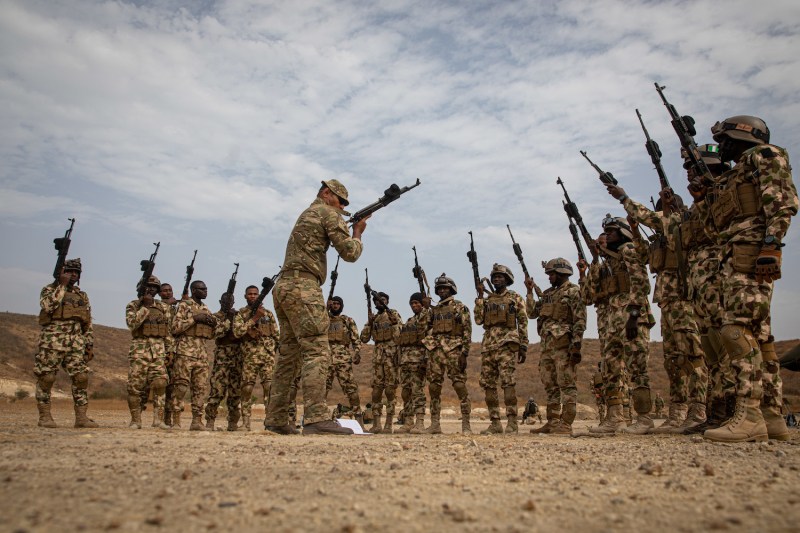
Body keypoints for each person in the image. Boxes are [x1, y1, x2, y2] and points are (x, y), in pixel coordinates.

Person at [703, 115, 797, 442]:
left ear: (742, 135)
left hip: (751, 251)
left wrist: (772, 245)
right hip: (740, 252)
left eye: (725, 138)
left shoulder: (765, 156)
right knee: (762, 337)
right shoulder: (738, 172)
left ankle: (749, 415)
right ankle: (772, 417)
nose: (722, 145)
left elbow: (782, 202)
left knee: (736, 328)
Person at [263, 179, 367, 435]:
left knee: (289, 355)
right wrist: (357, 233)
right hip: (304, 286)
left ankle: (276, 418)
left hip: (285, 286)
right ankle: (316, 417)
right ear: (326, 193)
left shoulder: (308, 213)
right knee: (318, 350)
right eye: (340, 201)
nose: (342, 206)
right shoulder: (326, 213)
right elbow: (350, 254)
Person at [606, 182, 709, 434]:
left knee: (693, 355)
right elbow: (644, 256)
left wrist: (624, 197)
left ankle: (699, 410)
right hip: (667, 303)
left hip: (685, 299)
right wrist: (635, 231)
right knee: (673, 360)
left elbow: (639, 277)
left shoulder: (684, 227)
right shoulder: (660, 240)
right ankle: (677, 413)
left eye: (669, 206)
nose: (664, 212)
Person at [678, 145, 734, 435]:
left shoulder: (729, 190)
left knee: (729, 346)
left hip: (724, 278)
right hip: (701, 288)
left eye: (695, 168)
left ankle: (738, 413)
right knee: (712, 351)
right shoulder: (700, 203)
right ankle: (717, 413)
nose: (689, 173)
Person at [589, 216, 654, 435]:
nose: (607, 236)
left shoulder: (628, 250)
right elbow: (592, 292)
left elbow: (641, 282)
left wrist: (634, 315)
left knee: (637, 368)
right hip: (614, 319)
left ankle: (644, 418)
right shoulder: (610, 261)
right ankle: (614, 418)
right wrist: (595, 258)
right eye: (605, 232)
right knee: (610, 369)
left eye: (611, 231)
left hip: (630, 316)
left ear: (624, 233)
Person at [34, 258, 98, 428]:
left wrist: (88, 344)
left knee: (81, 377)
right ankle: (45, 416)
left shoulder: (81, 295)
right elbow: (48, 306)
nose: (73, 275)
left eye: (76, 272)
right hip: (52, 340)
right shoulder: (50, 289)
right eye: (70, 271)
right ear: (62, 272)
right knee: (46, 377)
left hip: (76, 342)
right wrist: (61, 286)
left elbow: (87, 321)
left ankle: (81, 418)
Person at [526, 258, 586, 435]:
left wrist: (576, 346)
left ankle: (566, 423)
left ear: (561, 273)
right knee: (550, 385)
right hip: (547, 347)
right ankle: (552, 422)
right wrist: (530, 292)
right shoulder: (547, 294)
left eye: (552, 274)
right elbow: (531, 313)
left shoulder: (574, 292)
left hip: (564, 346)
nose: (549, 277)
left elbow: (580, 320)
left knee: (567, 384)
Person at [474, 263, 528, 434]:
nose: (497, 279)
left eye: (500, 277)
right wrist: (480, 296)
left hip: (506, 344)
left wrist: (523, 345)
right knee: (488, 385)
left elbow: (523, 322)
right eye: (494, 277)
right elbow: (478, 320)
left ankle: (512, 422)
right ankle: (495, 422)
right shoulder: (487, 300)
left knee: (508, 383)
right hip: (488, 345)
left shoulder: (515, 297)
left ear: (507, 280)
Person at [422, 274, 473, 434]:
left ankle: (466, 424)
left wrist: (464, 353)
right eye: (440, 288)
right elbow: (424, 328)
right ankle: (435, 424)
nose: (442, 290)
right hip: (436, 351)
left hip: (454, 350)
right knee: (434, 387)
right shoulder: (434, 310)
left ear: (451, 289)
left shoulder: (460, 307)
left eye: (445, 288)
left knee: (459, 385)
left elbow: (467, 330)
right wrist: (426, 308)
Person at [171, 280, 223, 430]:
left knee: (200, 388)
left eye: (206, 288)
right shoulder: (184, 306)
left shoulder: (205, 308)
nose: (206, 291)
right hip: (185, 353)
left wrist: (214, 325)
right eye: (202, 289)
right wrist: (194, 319)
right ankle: (176, 421)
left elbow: (211, 335)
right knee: (180, 387)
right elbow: (175, 328)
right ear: (194, 290)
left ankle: (196, 421)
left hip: (202, 354)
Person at [125, 275, 171, 429]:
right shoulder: (133, 305)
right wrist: (145, 306)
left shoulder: (163, 308)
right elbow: (132, 324)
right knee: (135, 386)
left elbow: (168, 331)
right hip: (140, 351)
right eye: (148, 286)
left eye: (154, 287)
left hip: (158, 352)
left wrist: (170, 351)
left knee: (160, 383)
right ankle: (136, 420)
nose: (151, 289)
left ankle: (158, 420)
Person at [233, 285, 280, 431]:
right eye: (250, 294)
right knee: (246, 389)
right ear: (245, 296)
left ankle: (270, 422)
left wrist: (276, 350)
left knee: (269, 388)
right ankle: (246, 423)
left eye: (255, 294)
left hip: (267, 356)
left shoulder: (268, 314)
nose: (253, 296)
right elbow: (237, 332)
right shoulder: (241, 313)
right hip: (250, 356)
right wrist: (254, 319)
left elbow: (276, 334)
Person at [360, 292, 402, 433]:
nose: (380, 303)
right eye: (377, 301)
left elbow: (398, 337)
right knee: (376, 392)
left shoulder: (393, 314)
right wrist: (370, 324)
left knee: (390, 391)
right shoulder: (375, 318)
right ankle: (376, 424)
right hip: (378, 359)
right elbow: (364, 338)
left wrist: (394, 323)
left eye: (382, 300)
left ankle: (389, 423)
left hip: (391, 358)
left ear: (387, 301)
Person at [204, 290, 244, 431]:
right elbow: (215, 333)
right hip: (222, 357)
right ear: (220, 302)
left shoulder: (238, 316)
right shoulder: (216, 317)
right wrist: (228, 320)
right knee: (217, 390)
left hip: (237, 357)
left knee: (235, 392)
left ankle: (233, 423)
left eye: (230, 301)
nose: (228, 303)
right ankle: (210, 421)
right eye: (225, 301)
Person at [394, 292, 431, 434]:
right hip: (405, 362)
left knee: (418, 392)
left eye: (417, 303)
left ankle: (420, 422)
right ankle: (408, 421)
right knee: (406, 393)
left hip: (418, 361)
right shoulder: (409, 322)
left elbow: (429, 339)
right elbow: (400, 341)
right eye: (412, 303)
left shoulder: (427, 318)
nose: (414, 306)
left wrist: (426, 360)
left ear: (423, 304)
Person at [325, 296, 364, 427]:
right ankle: (320, 417)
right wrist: (324, 309)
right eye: (333, 304)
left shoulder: (347, 320)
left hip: (343, 359)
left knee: (351, 388)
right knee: (322, 388)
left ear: (341, 306)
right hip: (326, 359)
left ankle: (359, 418)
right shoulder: (324, 320)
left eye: (338, 304)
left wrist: (357, 352)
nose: (335, 306)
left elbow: (355, 339)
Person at [159, 282, 179, 426]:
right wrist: (167, 306)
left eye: (170, 290)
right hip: (160, 350)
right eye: (165, 291)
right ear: (160, 294)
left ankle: (168, 418)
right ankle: (158, 419)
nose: (168, 293)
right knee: (160, 385)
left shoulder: (175, 309)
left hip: (175, 351)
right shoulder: (157, 306)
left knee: (172, 387)